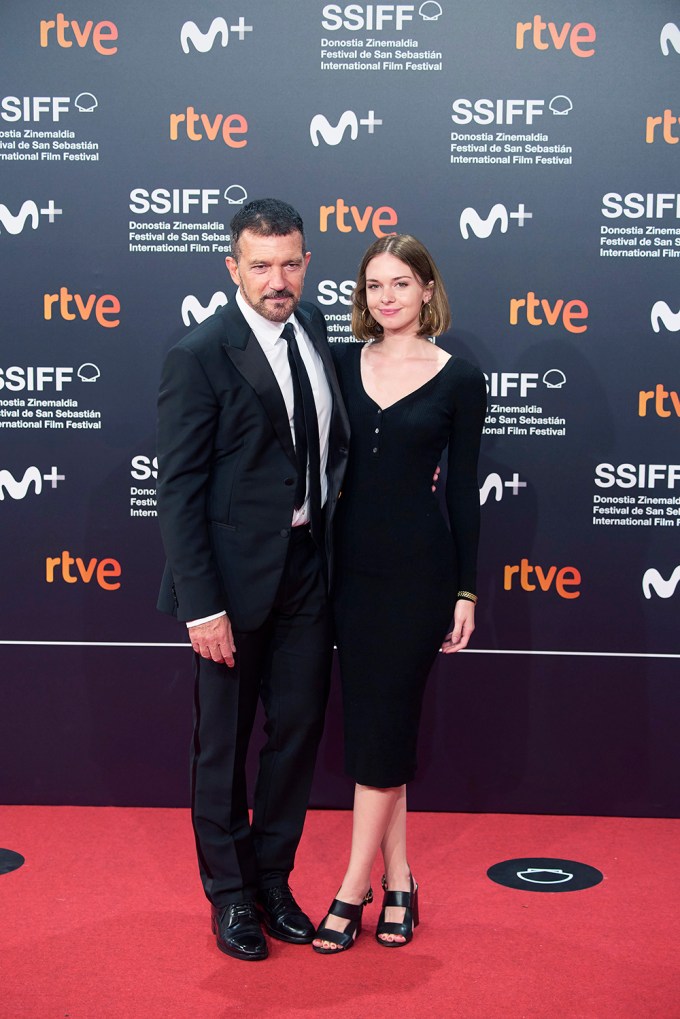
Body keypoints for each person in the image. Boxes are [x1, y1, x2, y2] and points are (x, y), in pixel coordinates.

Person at [156, 198, 350, 962]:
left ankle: (274, 879)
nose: (278, 278)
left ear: (306, 263)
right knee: (223, 746)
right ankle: (230, 896)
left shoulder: (317, 330)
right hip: (230, 587)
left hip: (308, 570)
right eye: (261, 264)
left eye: (291, 262)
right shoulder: (199, 353)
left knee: (297, 732)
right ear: (232, 267)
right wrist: (201, 604)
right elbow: (179, 488)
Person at [312, 234, 486, 954]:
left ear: (426, 290)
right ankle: (403, 878)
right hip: (348, 572)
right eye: (375, 285)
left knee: (384, 726)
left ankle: (353, 888)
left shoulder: (459, 378)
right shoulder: (341, 366)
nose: (387, 297)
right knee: (377, 725)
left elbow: (467, 494)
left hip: (420, 573)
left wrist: (467, 589)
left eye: (400, 283)